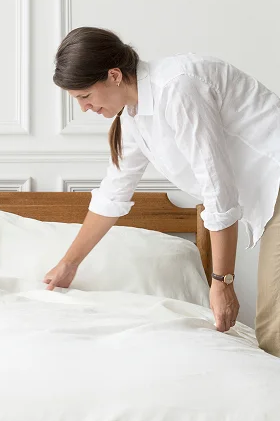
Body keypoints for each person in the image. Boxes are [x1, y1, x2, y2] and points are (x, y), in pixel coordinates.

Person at [43, 26, 280, 356]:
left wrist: (222, 282)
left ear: (113, 75)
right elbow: (113, 193)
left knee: (275, 330)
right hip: (271, 193)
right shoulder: (134, 117)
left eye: (85, 96)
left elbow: (218, 191)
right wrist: (69, 264)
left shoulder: (177, 88)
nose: (84, 108)